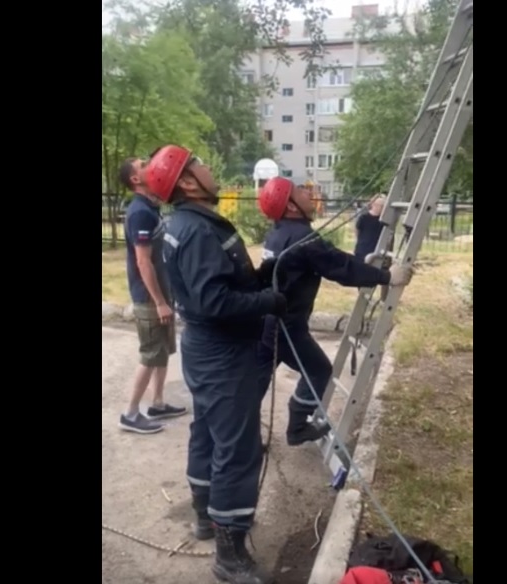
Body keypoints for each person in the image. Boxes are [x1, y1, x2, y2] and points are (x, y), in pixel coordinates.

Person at [144, 145, 286, 584]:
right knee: (237, 448)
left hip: (207, 349)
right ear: (188, 182)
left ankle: (206, 517)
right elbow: (214, 301)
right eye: (199, 164)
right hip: (223, 352)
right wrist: (269, 301)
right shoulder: (199, 231)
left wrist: (261, 278)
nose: (208, 168)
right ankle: (230, 554)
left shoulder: (188, 224)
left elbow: (216, 284)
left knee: (208, 430)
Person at [256, 178, 413, 446]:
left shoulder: (278, 233)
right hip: (288, 327)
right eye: (300, 192)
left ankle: (243, 439)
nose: (308, 194)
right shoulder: (302, 239)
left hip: (269, 321)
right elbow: (339, 267)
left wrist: (365, 266)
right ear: (291, 206)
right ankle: (297, 427)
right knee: (319, 371)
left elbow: (331, 258)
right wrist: (386, 276)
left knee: (254, 384)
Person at [117, 156, 188, 435]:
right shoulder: (139, 213)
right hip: (149, 297)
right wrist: (159, 302)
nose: (151, 165)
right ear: (136, 179)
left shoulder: (151, 206)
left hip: (162, 291)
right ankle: (130, 413)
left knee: (163, 350)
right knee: (150, 354)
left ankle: (157, 403)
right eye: (143, 164)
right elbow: (142, 262)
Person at [354, 193, 387, 261]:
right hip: (362, 250)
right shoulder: (363, 217)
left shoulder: (384, 221)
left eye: (383, 206)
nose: (382, 208)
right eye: (381, 206)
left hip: (376, 251)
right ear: (373, 204)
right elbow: (357, 230)